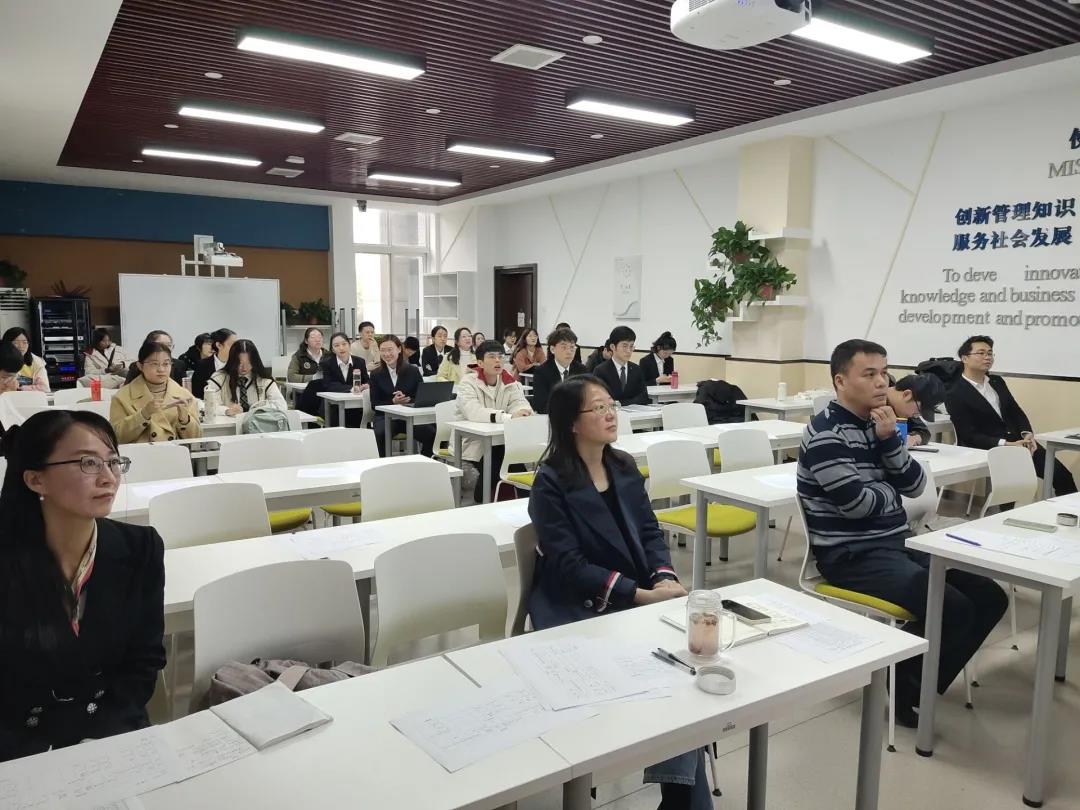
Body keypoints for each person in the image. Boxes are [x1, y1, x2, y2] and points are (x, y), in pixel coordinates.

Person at [798, 339, 1007, 727]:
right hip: (851, 555)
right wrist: (888, 490)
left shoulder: (880, 424)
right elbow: (857, 505)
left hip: (896, 542)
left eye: (884, 373)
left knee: (989, 596)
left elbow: (913, 484)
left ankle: (910, 678)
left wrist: (887, 443)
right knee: (953, 607)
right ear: (841, 381)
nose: (882, 383)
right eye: (869, 374)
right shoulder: (826, 434)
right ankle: (905, 682)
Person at [527, 376, 708, 806]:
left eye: (612, 405)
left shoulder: (623, 466)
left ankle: (681, 798)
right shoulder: (551, 482)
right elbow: (570, 566)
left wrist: (663, 577)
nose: (611, 415)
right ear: (572, 423)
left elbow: (649, 531)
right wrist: (640, 595)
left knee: (687, 672)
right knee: (662, 675)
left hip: (635, 593)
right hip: (577, 603)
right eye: (598, 408)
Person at [0, 410, 166, 762]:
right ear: (36, 480)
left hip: (111, 733)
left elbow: (144, 661)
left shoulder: (141, 548)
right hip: (21, 750)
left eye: (113, 462)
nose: (108, 478)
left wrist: (100, 736)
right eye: (88, 463)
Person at [946, 335, 1077, 496]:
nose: (987, 357)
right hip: (990, 447)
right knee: (1012, 491)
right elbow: (968, 434)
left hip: (1019, 442)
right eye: (981, 353)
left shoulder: (996, 381)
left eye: (990, 353)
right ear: (965, 358)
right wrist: (1006, 444)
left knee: (1062, 476)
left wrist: (1027, 434)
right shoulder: (955, 393)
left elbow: (1015, 411)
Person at [456, 340, 533, 503]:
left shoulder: (509, 380)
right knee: (498, 462)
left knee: (514, 461)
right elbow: (474, 412)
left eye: (500, 356)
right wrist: (507, 417)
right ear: (480, 363)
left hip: (502, 439)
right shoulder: (468, 382)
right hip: (474, 441)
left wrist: (522, 412)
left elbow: (519, 402)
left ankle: (523, 503)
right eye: (492, 357)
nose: (498, 360)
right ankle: (484, 499)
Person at [110, 342, 202, 444]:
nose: (161, 369)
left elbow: (197, 439)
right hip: (139, 452)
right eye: (154, 364)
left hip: (174, 452)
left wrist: (185, 420)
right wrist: (143, 414)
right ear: (140, 366)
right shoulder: (122, 397)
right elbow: (116, 437)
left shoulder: (184, 395)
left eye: (166, 364)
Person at [369, 335, 435, 458]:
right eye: (383, 350)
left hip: (409, 418)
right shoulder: (375, 374)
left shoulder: (412, 371)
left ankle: (425, 461)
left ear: (399, 349)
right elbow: (374, 404)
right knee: (380, 433)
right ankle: (383, 463)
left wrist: (409, 400)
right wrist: (393, 402)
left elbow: (421, 397)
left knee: (431, 432)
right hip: (385, 418)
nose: (386, 354)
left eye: (390, 350)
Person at [204, 340, 287, 418]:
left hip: (257, 425)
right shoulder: (219, 378)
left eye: (249, 363)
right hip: (227, 425)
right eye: (240, 364)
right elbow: (208, 406)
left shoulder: (264, 379)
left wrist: (260, 408)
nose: (244, 368)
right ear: (232, 362)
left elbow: (281, 405)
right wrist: (226, 411)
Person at [529, 326, 586, 414]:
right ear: (552, 349)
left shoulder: (582, 370)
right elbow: (541, 405)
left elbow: (587, 399)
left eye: (572, 347)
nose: (569, 352)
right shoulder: (541, 372)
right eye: (564, 347)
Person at [885, 373, 945, 448]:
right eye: (919, 410)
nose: (915, 415)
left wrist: (913, 438)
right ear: (907, 395)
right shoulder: (874, 403)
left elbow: (924, 431)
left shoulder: (903, 410)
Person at [594, 326, 649, 406]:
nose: (628, 351)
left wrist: (621, 403)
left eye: (631, 346)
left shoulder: (636, 369)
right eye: (624, 346)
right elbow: (600, 399)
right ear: (613, 347)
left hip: (634, 412)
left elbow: (643, 397)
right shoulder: (601, 370)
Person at [190, 328, 236, 399]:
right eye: (232, 345)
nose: (236, 348)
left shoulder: (237, 364)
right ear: (219, 345)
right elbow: (196, 394)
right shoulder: (202, 365)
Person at [2, 327, 49, 393]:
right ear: (7, 344)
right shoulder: (3, 359)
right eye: (15, 342)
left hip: (28, 398)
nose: (21, 346)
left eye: (24, 342)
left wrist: (19, 388)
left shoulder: (37, 362)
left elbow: (45, 388)